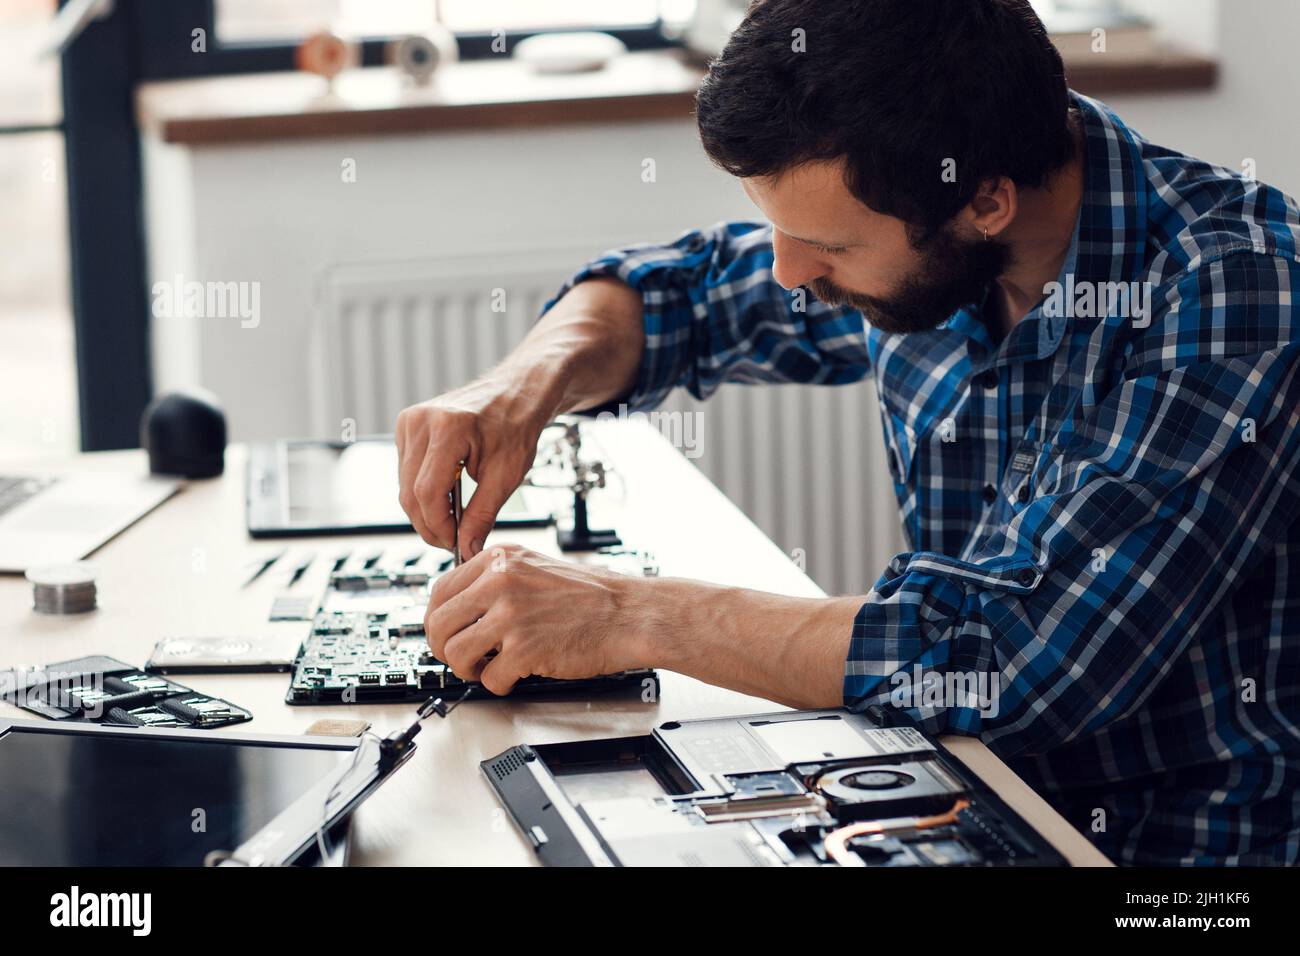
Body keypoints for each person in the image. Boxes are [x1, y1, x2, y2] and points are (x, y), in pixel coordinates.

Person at [395, 0, 1300, 865]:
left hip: (1176, 859)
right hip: (958, 794)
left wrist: (624, 613)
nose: (790, 271)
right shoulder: (928, 219)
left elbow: (1005, 660)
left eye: (828, 248)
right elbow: (686, 296)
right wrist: (518, 387)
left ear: (985, 204)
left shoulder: (1235, 291)